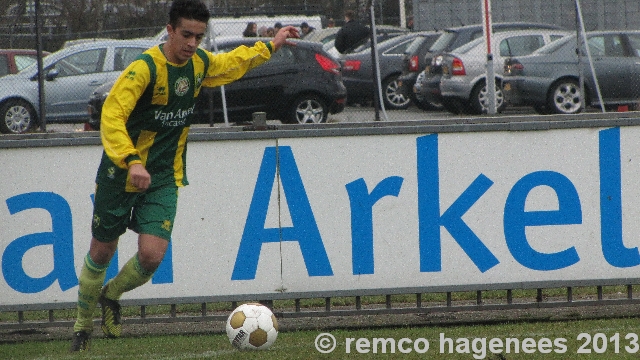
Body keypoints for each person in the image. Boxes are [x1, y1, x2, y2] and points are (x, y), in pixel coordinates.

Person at [69, 0, 299, 352]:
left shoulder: (199, 64)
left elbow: (230, 63)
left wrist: (270, 45)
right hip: (121, 174)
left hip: (162, 176)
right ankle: (81, 329)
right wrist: (131, 160)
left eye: (199, 37)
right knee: (101, 252)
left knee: (151, 256)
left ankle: (111, 296)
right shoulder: (144, 68)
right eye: (187, 35)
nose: (192, 44)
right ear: (170, 30)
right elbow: (112, 115)